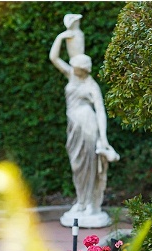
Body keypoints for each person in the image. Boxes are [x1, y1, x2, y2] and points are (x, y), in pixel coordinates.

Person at [49, 27, 119, 227]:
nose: (74, 68)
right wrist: (61, 37)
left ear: (84, 69)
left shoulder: (91, 86)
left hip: (89, 128)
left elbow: (101, 112)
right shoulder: (71, 75)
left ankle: (90, 204)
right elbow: (54, 58)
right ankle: (81, 201)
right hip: (73, 129)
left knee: (89, 166)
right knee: (77, 166)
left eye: (77, 67)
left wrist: (103, 139)